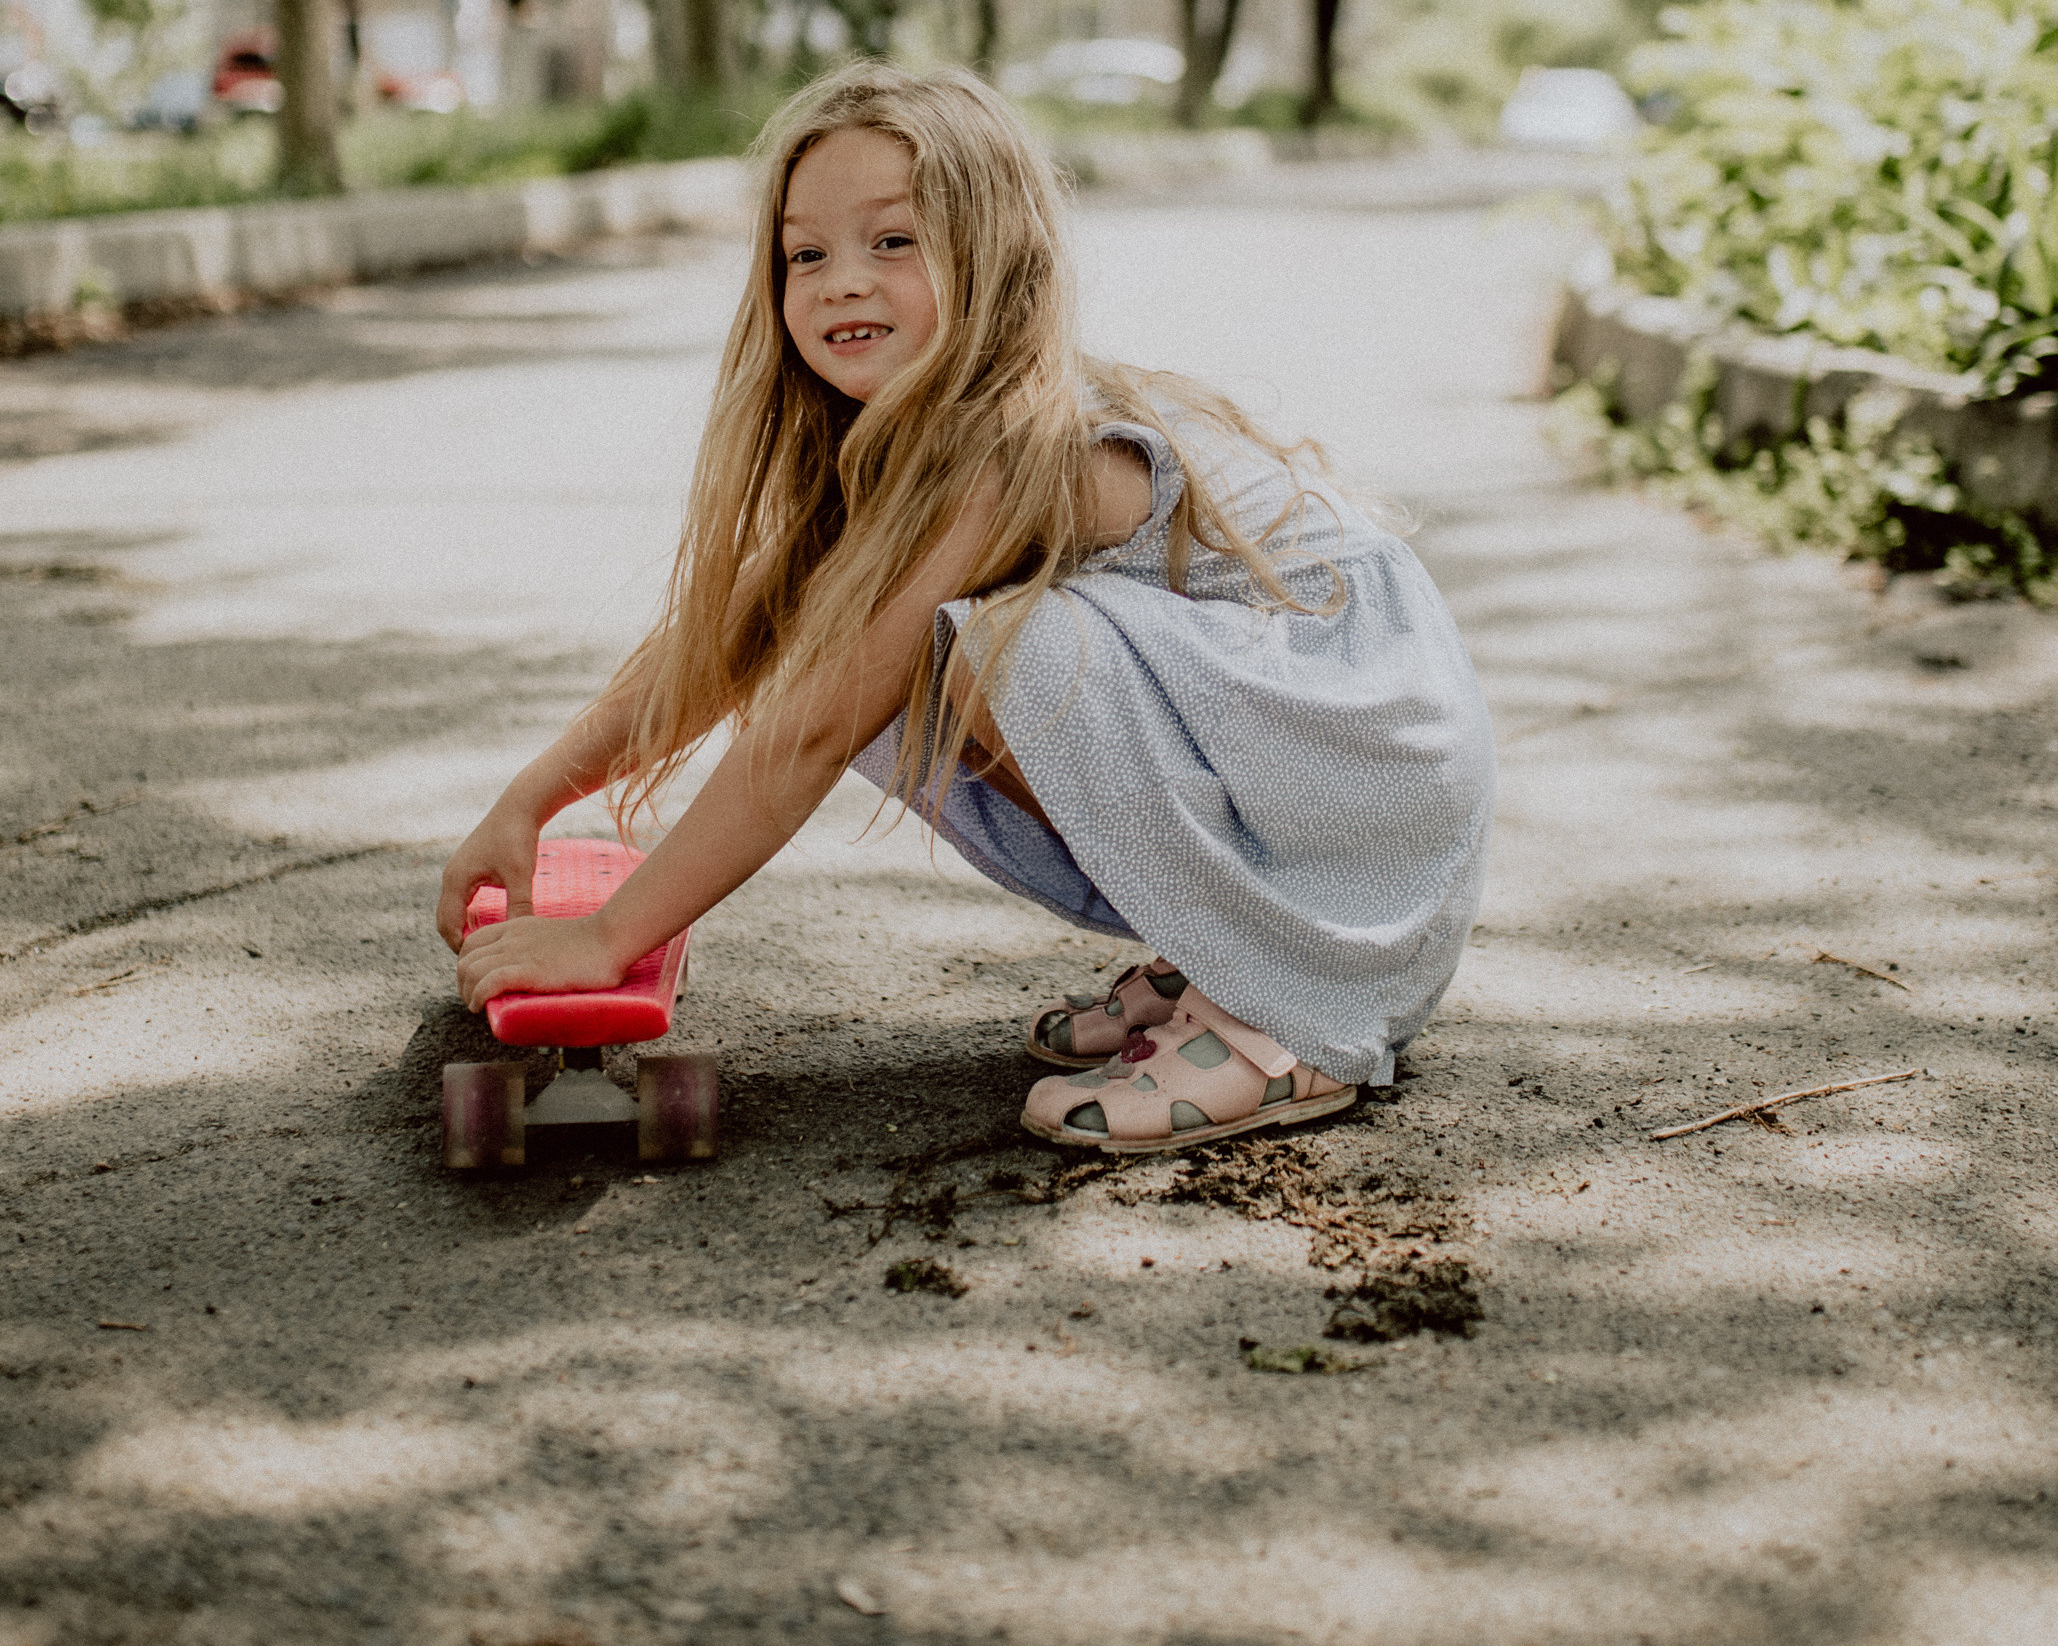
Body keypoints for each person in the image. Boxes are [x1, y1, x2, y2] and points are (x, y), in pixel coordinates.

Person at [438, 60, 1495, 1154]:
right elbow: (725, 645)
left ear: (994, 256)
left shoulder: (1005, 446)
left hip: (1366, 772)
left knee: (991, 648)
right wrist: (529, 800)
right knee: (881, 635)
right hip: (1314, 767)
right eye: (807, 254)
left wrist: (612, 936)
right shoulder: (897, 440)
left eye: (893, 242)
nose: (842, 280)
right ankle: (1225, 950)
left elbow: (811, 725)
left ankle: (1279, 1014)